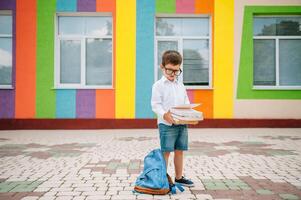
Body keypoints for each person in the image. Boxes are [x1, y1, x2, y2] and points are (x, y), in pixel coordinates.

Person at [151, 50, 194, 187]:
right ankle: (162, 178)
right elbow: (155, 105)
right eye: (169, 71)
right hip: (166, 124)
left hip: (181, 123)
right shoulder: (158, 86)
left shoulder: (180, 85)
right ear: (162, 67)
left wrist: (190, 113)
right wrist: (165, 115)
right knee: (166, 151)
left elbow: (186, 102)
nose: (173, 74)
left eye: (176, 71)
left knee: (180, 150)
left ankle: (179, 177)